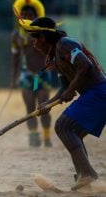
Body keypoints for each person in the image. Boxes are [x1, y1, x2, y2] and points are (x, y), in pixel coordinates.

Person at [17, 16, 106, 190]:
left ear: (43, 38)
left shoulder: (65, 44)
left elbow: (84, 66)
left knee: (63, 127)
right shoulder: (54, 56)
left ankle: (87, 173)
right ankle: (83, 178)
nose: (34, 44)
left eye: (35, 39)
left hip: (99, 93)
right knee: (73, 132)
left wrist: (69, 90)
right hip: (93, 95)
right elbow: (65, 88)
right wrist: (47, 104)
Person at [11, 0, 53, 147]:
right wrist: (13, 78)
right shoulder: (17, 36)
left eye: (31, 14)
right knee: (29, 107)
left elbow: (53, 52)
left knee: (44, 107)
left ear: (37, 16)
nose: (28, 17)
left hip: (42, 75)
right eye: (25, 14)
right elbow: (15, 57)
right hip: (27, 75)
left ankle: (47, 136)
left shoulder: (45, 33)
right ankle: (34, 135)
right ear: (20, 16)